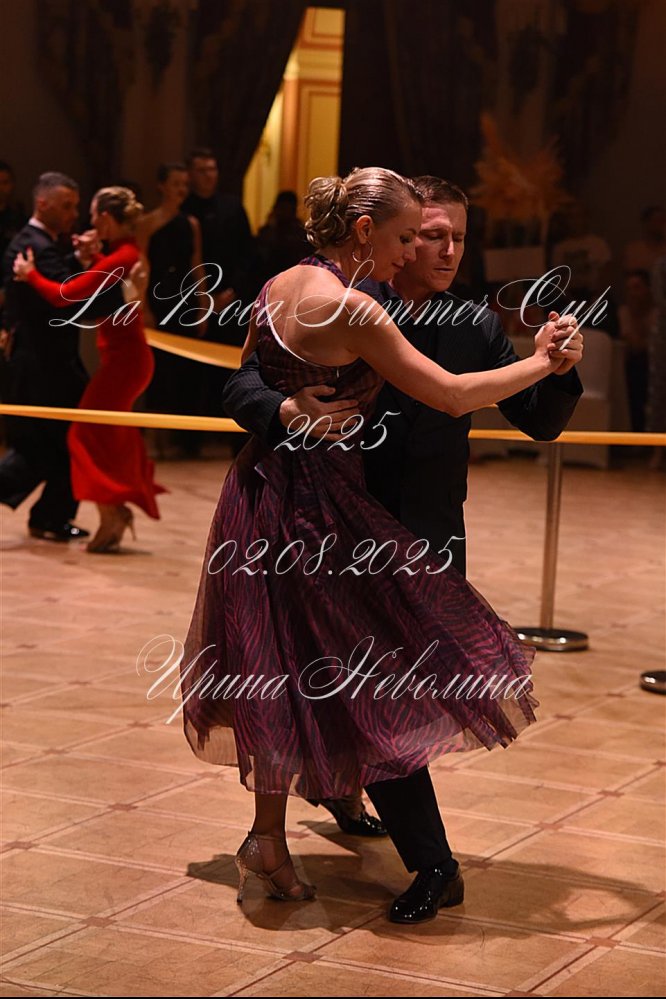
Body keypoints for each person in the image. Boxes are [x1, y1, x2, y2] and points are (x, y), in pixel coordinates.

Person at [179, 167, 581, 921]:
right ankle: (430, 862)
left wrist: (556, 365)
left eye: (458, 238)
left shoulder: (467, 322)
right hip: (330, 517)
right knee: (362, 686)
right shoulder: (357, 299)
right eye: (425, 236)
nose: (442, 250)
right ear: (385, 232)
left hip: (413, 524)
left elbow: (538, 419)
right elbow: (244, 384)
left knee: (324, 674)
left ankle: (294, 819)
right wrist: (285, 410)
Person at [13, 186, 165, 552]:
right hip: (126, 361)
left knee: (83, 435)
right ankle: (114, 511)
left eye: (93, 215)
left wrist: (30, 274)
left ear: (106, 218)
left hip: (125, 364)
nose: (89, 221)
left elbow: (63, 295)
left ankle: (112, 513)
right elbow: (106, 285)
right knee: (104, 438)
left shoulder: (122, 257)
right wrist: (92, 254)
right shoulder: (123, 253)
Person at [0, 171, 99, 541]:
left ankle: (50, 516)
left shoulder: (39, 244)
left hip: (47, 364)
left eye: (76, 206)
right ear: (43, 204)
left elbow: (56, 278)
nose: (74, 214)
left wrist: (77, 257)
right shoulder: (35, 246)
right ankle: (50, 516)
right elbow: (64, 294)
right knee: (50, 447)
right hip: (43, 368)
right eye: (67, 206)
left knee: (57, 445)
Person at [137, 162, 205, 458]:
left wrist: (203, 304)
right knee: (158, 370)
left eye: (184, 185)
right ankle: (155, 440)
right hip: (158, 298)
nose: (181, 190)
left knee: (183, 372)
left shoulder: (191, 223)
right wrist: (142, 307)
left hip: (185, 300)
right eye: (176, 183)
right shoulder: (147, 223)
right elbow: (141, 266)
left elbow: (197, 264)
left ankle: (179, 440)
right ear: (161, 186)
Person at [618, 270, 655, 432]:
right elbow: (634, 343)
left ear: (648, 289)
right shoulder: (624, 312)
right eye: (629, 289)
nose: (633, 294)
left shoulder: (658, 314)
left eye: (637, 288)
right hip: (632, 366)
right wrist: (635, 314)